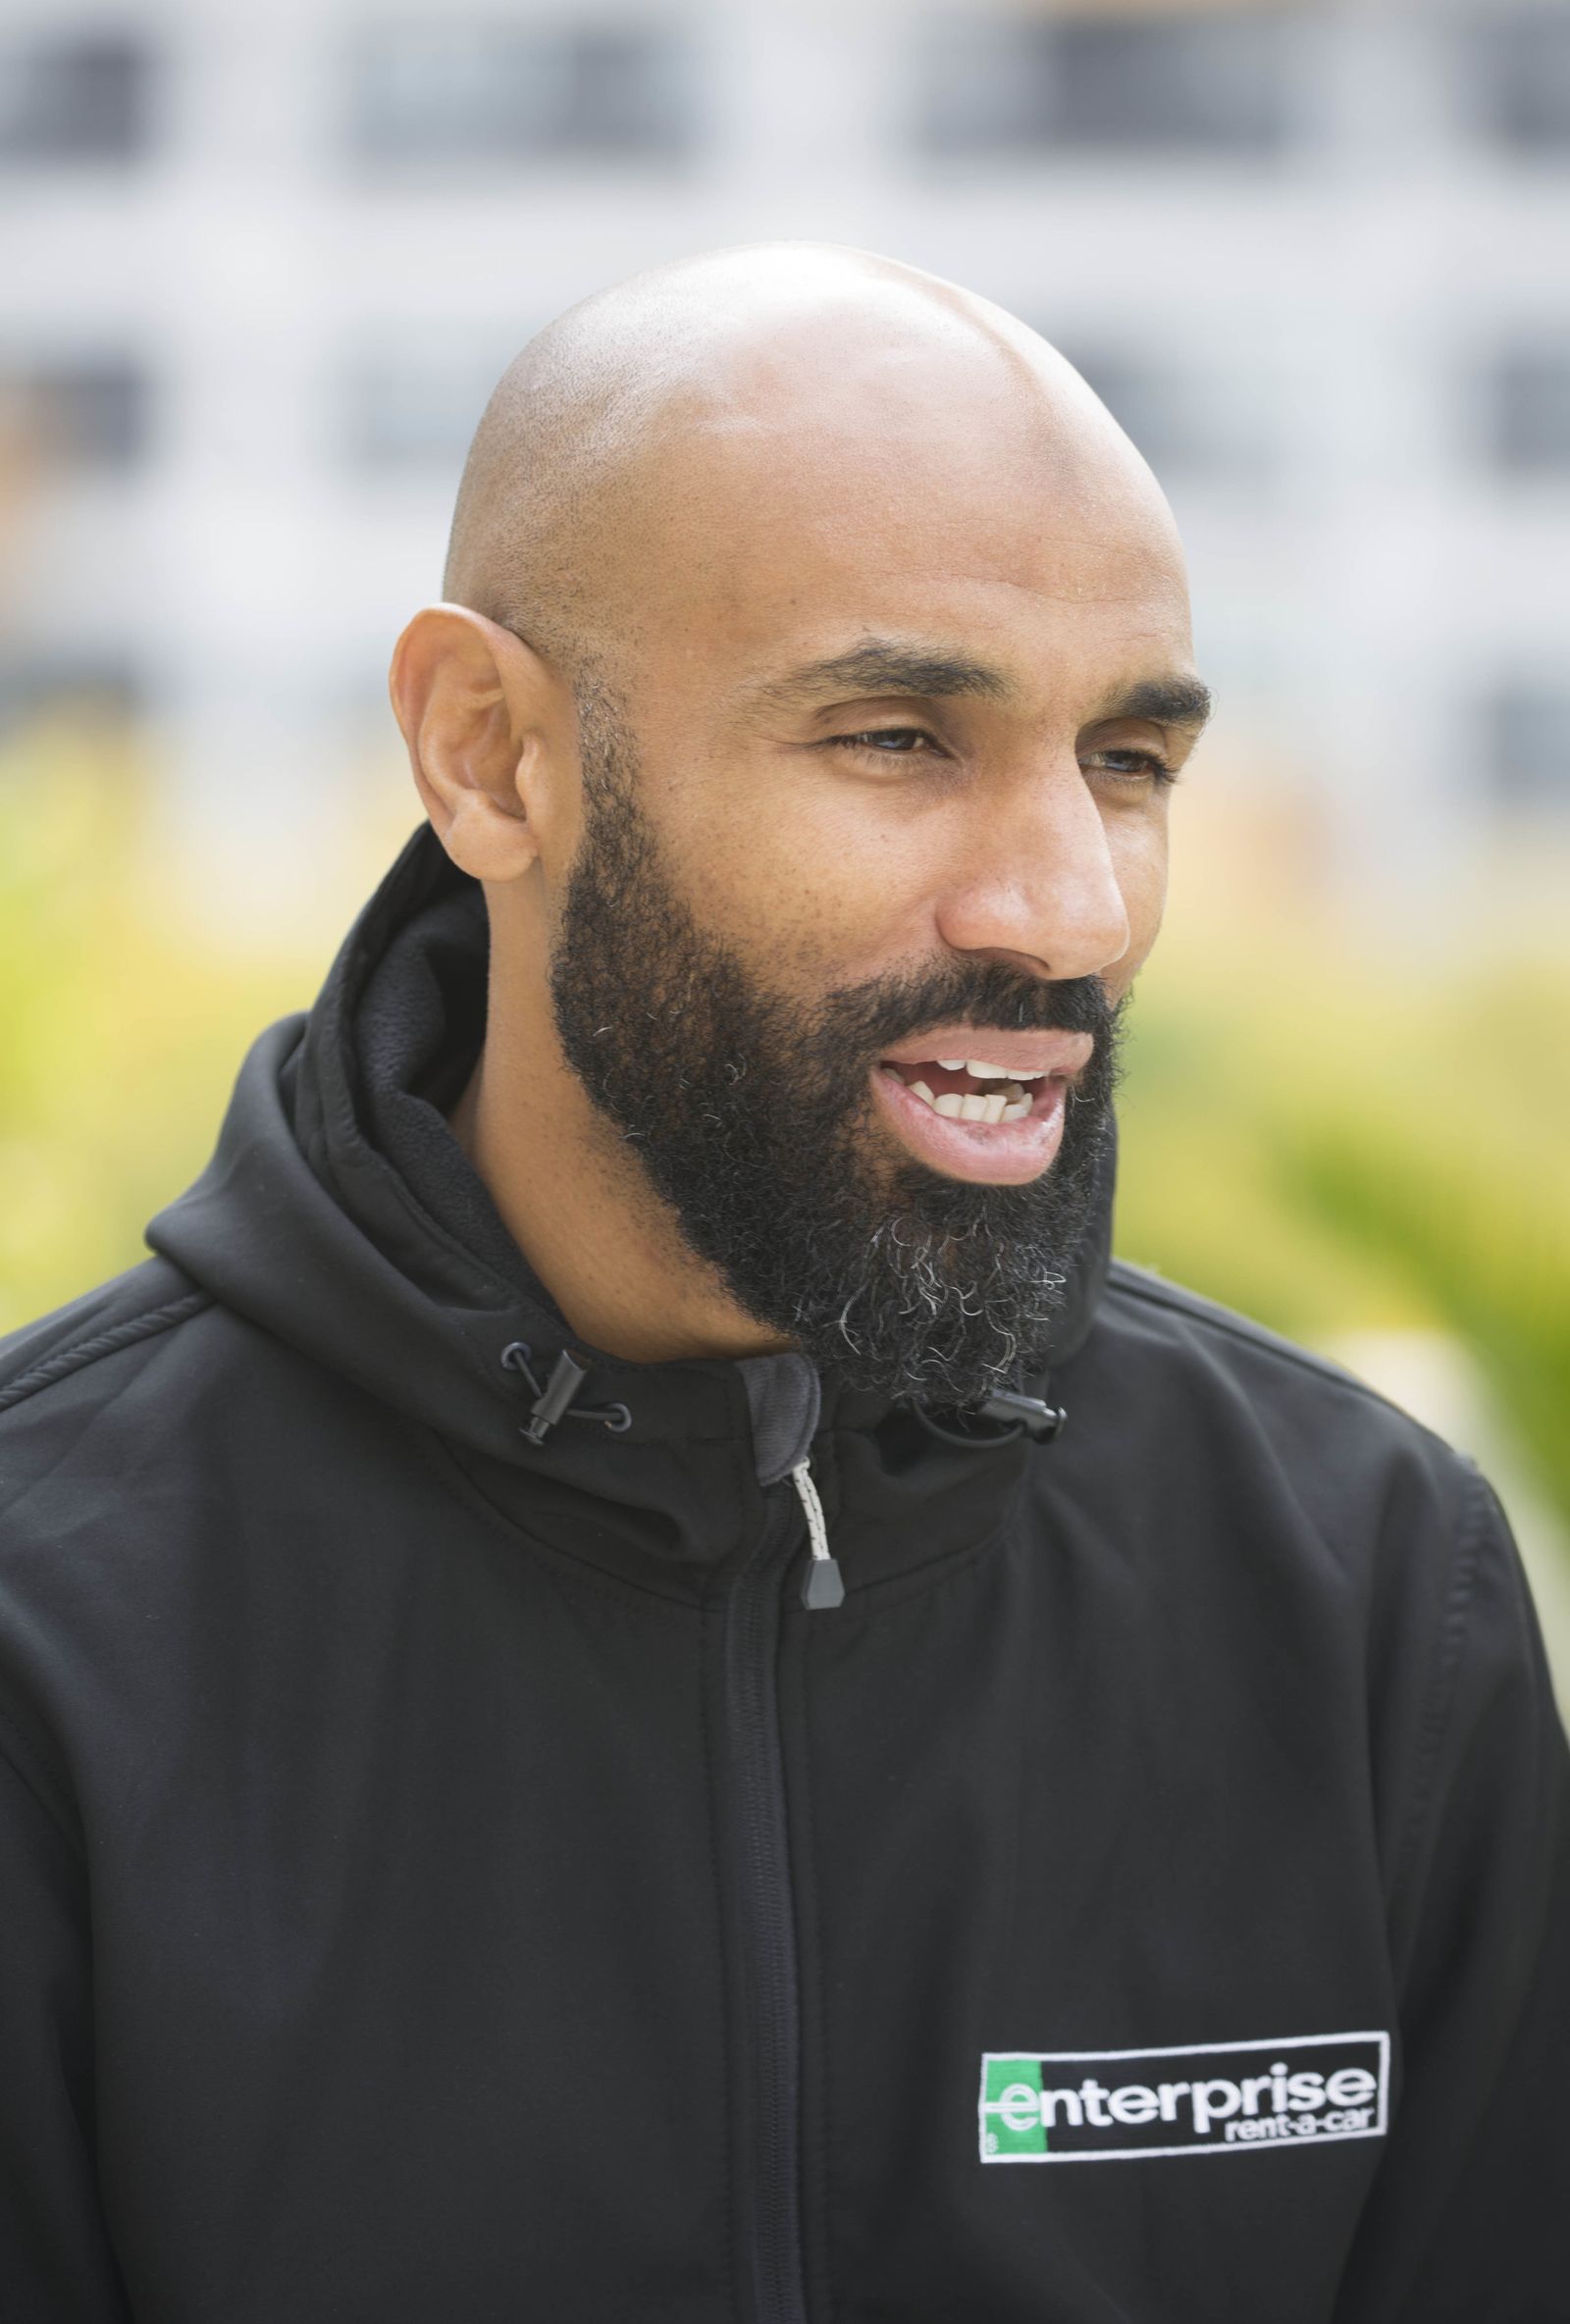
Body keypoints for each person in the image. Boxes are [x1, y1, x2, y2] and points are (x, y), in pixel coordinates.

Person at [0, 245, 1564, 2324]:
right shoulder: (44, 1623)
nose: (1065, 909)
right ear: (489, 755)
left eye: (1126, 760)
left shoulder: (1368, 1588)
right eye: (897, 736)